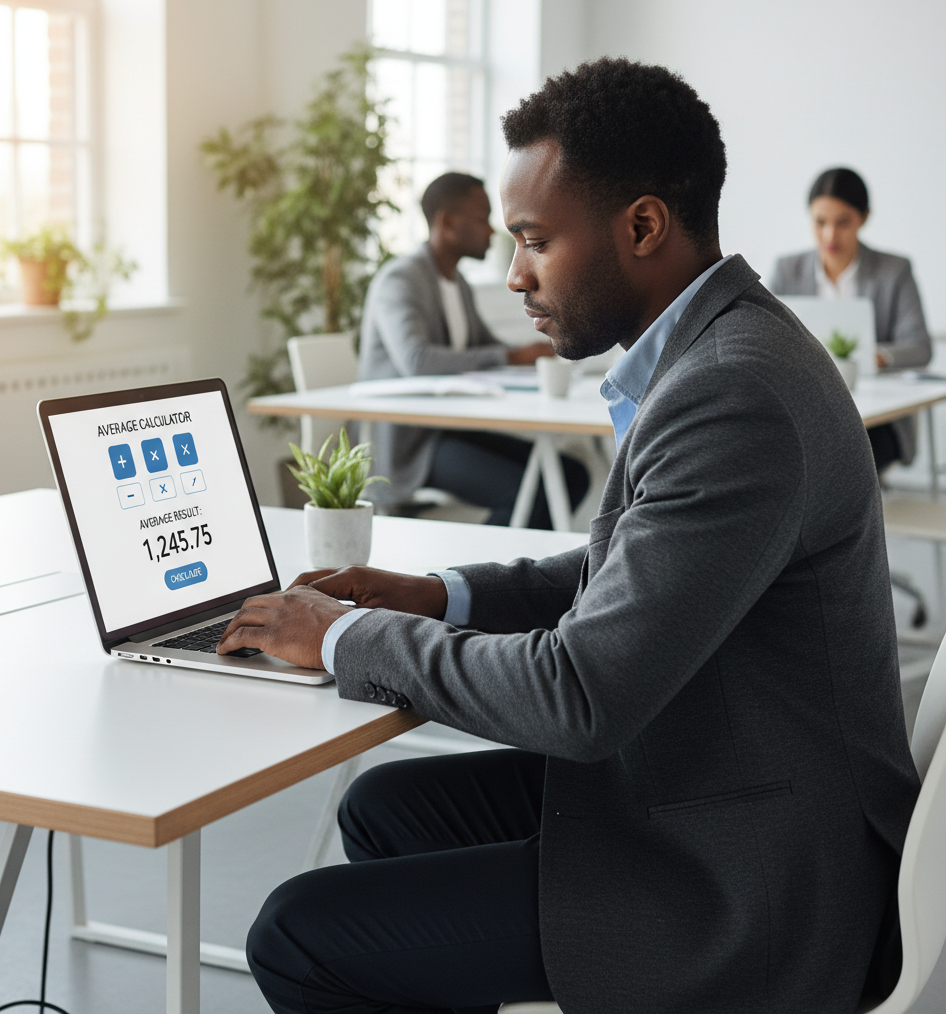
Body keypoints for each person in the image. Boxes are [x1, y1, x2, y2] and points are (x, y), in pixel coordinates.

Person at [219, 58, 919, 1014]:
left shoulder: (734, 394)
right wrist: (438, 595)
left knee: (297, 935)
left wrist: (339, 638)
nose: (512, 274)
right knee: (384, 806)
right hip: (719, 778)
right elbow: (621, 570)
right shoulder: (721, 349)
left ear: (641, 226)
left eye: (535, 240)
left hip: (751, 879)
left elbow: (581, 695)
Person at [358, 171, 588, 528]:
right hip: (410, 447)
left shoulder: (455, 282)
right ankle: (476, 580)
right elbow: (417, 361)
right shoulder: (401, 280)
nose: (491, 231)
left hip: (453, 428)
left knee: (572, 474)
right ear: (447, 222)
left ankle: (516, 577)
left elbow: (486, 346)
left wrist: (532, 353)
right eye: (482, 219)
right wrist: (512, 357)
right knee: (524, 492)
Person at [770, 168, 932, 471]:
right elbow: (765, 338)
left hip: (876, 418)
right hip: (806, 408)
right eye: (820, 222)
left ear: (864, 217)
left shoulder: (893, 271)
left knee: (835, 456)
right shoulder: (787, 270)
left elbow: (920, 347)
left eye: (842, 222)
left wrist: (874, 357)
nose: (830, 235)